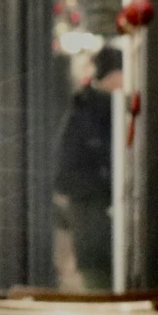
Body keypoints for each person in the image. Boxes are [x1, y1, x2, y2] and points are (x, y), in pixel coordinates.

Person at [53, 48, 121, 291]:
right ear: (113, 76)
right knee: (98, 286)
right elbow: (66, 176)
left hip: (101, 229)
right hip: (95, 229)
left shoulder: (91, 109)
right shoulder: (85, 112)